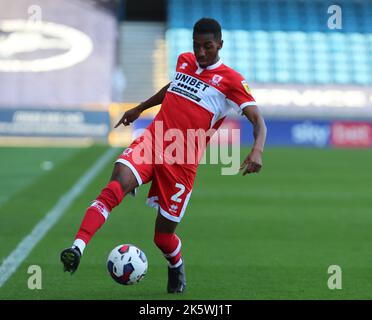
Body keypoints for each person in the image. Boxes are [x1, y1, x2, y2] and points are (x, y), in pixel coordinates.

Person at [60, 17, 267, 294]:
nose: (202, 53)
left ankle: (176, 264)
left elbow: (258, 120)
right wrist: (140, 108)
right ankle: (77, 247)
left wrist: (257, 150)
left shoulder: (232, 80)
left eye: (208, 46)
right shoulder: (184, 60)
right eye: (197, 46)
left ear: (220, 44)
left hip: (182, 160)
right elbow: (173, 86)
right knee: (114, 186)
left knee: (162, 237)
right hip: (153, 141)